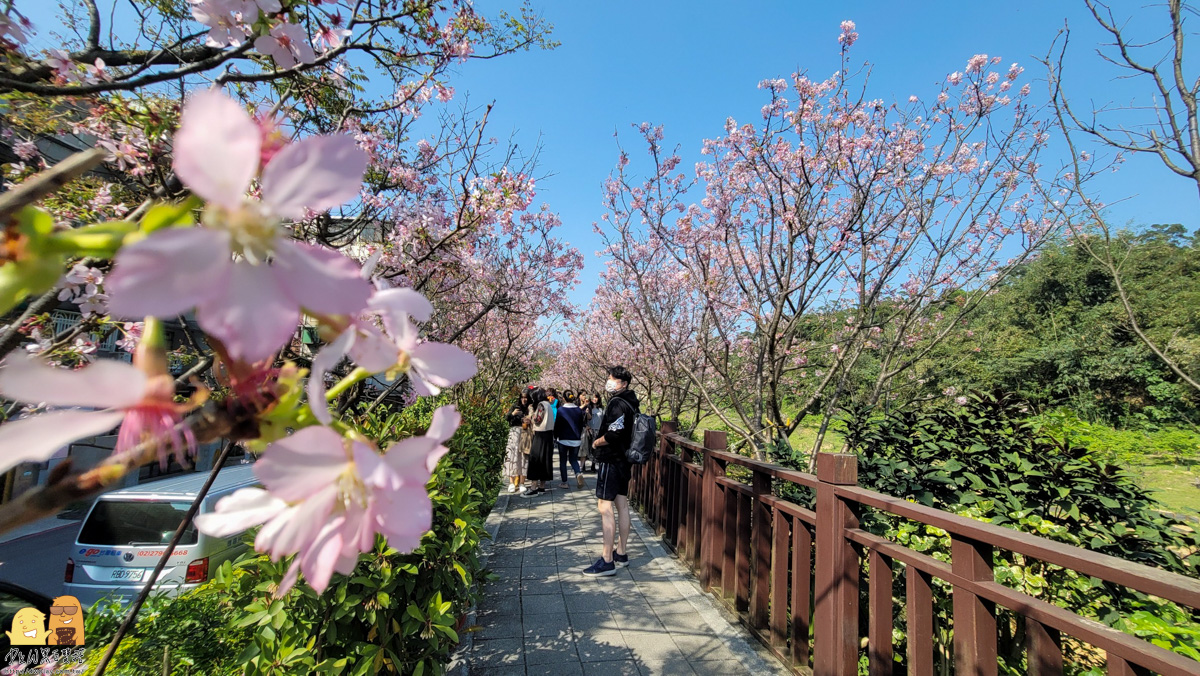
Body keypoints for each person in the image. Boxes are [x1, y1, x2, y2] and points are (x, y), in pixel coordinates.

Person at [583, 366, 639, 577]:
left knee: (605, 506)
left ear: (623, 383)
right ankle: (621, 553)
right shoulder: (632, 402)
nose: (609, 382)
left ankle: (607, 560)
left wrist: (597, 442)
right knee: (622, 504)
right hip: (624, 460)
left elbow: (614, 434)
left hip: (612, 460)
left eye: (613, 379)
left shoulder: (617, 404)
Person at [523, 387, 555, 496]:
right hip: (549, 435)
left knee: (536, 460)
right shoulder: (548, 405)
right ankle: (542, 487)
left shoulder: (541, 405)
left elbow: (537, 420)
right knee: (545, 460)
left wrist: (531, 414)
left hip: (541, 435)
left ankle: (533, 487)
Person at [554, 391, 586, 489]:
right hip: (576, 439)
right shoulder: (578, 410)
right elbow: (581, 424)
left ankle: (564, 482)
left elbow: (557, 425)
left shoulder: (561, 410)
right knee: (573, 459)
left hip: (563, 439)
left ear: (563, 398)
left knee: (563, 461)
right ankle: (578, 473)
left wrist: (555, 436)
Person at [503, 392, 530, 493]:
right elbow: (506, 418)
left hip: (525, 433)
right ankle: (511, 482)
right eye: (522, 398)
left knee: (523, 457)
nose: (524, 400)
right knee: (512, 456)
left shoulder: (529, 408)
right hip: (514, 433)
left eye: (526, 398)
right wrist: (513, 414)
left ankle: (522, 482)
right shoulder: (515, 406)